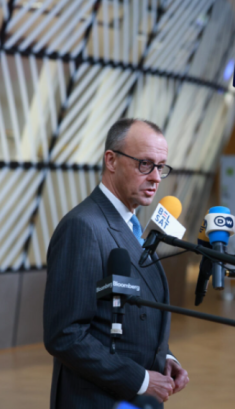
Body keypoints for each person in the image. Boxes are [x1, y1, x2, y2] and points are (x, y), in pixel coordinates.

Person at [43, 118, 189, 408]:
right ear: (111, 160)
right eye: (145, 164)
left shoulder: (131, 226)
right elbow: (65, 335)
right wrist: (141, 380)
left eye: (161, 166)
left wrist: (165, 357)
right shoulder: (83, 227)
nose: (156, 178)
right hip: (96, 400)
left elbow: (129, 317)